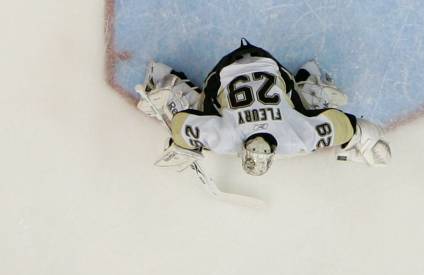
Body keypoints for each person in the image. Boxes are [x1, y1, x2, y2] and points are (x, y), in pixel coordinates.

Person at [135, 39, 391, 176]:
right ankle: (170, 89)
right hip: (250, 65)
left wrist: (367, 138)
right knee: (201, 115)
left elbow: (345, 127)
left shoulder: (297, 138)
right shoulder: (227, 139)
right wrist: (183, 142)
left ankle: (311, 85)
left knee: (299, 112)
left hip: (249, 66)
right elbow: (181, 125)